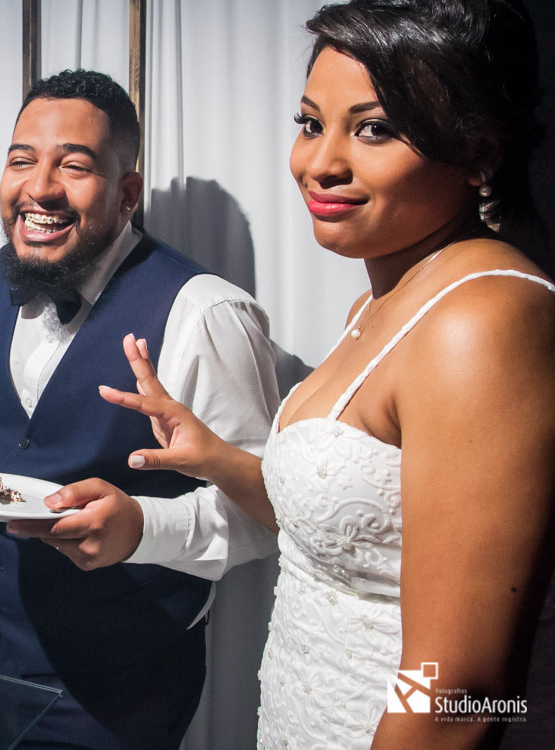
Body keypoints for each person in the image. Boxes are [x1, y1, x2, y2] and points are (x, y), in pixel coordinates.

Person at [100, 1, 555, 747]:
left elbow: (463, 694)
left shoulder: (481, 322)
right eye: (311, 123)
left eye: (373, 129)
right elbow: (359, 535)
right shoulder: (379, 303)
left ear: (477, 154)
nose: (319, 163)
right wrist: (214, 456)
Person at [0, 70, 280, 748]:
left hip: (119, 687)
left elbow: (265, 512)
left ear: (126, 194)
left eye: (74, 166)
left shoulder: (206, 314)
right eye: (21, 160)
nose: (39, 188)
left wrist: (143, 528)